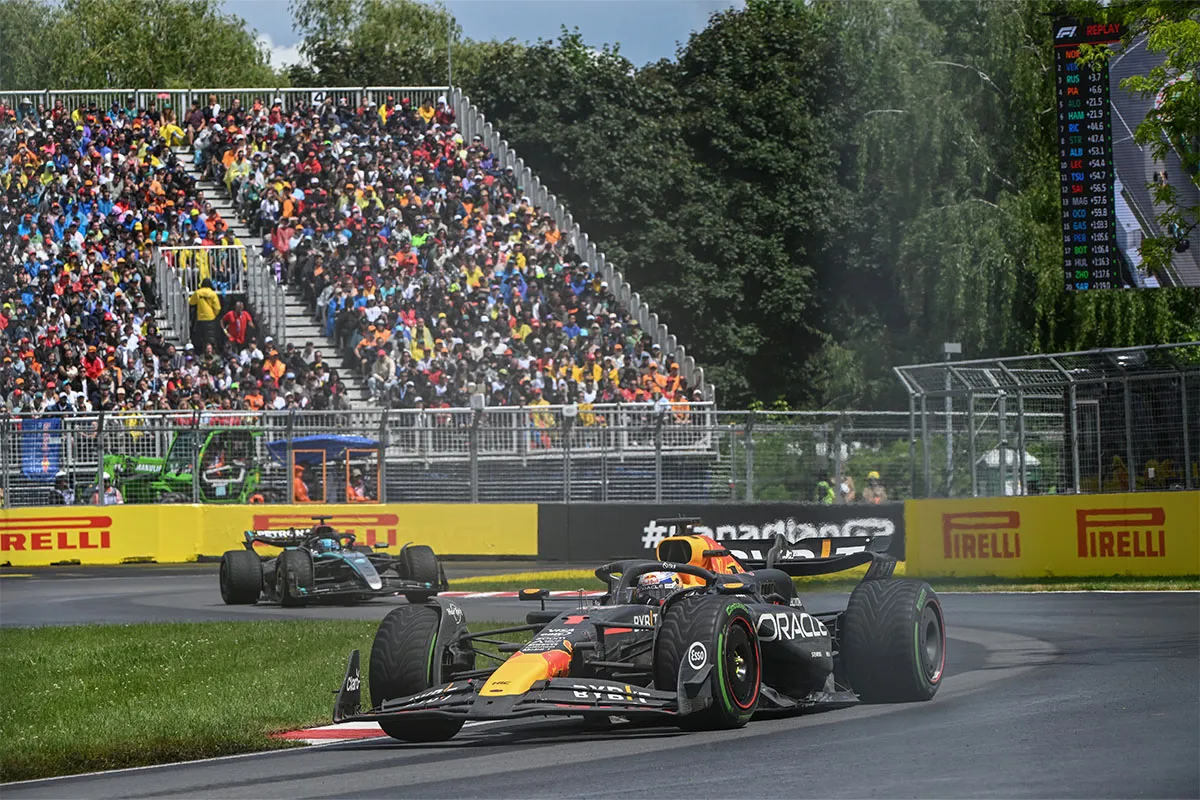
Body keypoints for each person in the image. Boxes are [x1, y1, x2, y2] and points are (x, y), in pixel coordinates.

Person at [188, 278, 222, 353]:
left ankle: (202, 352)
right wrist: (214, 315)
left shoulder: (198, 293)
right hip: (211, 318)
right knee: (211, 337)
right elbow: (217, 307)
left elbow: (191, 302)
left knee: (202, 337)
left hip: (201, 318)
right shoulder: (213, 293)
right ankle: (213, 352)